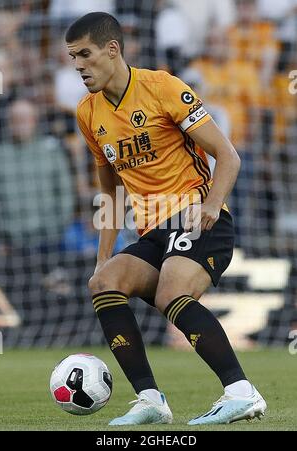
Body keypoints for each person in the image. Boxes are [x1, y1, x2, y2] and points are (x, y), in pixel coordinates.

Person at [66, 12, 267, 426]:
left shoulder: (162, 88)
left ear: (112, 49)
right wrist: (103, 257)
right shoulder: (88, 114)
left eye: (85, 55)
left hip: (198, 217)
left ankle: (241, 392)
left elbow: (228, 154)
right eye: (72, 58)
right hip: (153, 230)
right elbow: (111, 190)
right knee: (104, 283)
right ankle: (150, 400)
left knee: (171, 293)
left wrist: (212, 204)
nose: (79, 66)